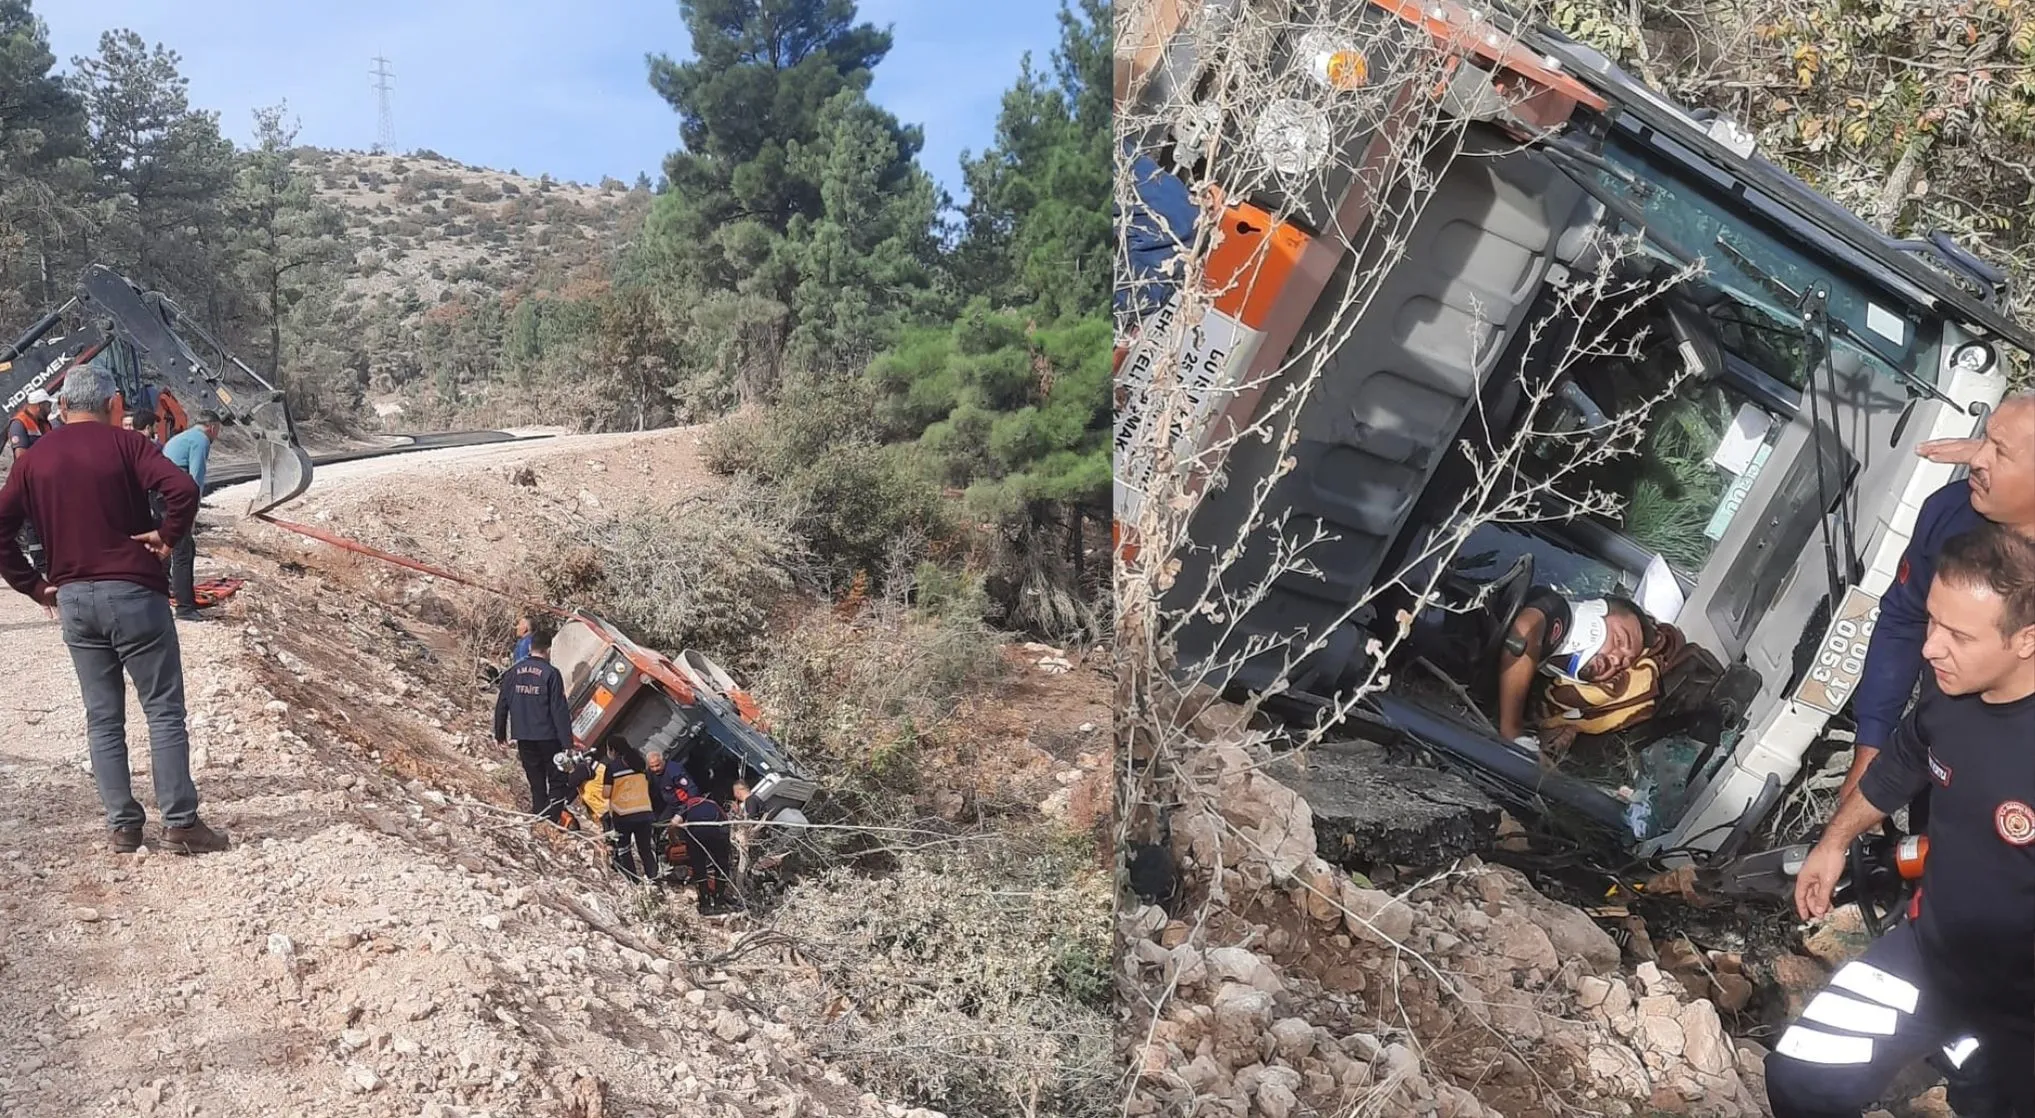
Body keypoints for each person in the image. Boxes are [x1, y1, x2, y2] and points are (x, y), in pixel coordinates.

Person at [1765, 522, 2035, 1118]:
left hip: (2020, 1010)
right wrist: (1835, 840)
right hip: (1927, 958)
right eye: (1933, 622)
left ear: (2026, 640)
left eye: (1958, 634)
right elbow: (1906, 759)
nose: (1930, 647)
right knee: (1800, 1080)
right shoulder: (1950, 692)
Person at [0, 367, 228, 855]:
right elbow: (183, 491)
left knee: (103, 718)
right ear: (115, 405)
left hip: (75, 601)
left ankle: (124, 826)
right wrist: (168, 537)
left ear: (62, 409)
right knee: (163, 711)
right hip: (135, 595)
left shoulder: (33, 460)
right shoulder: (127, 446)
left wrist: (36, 587)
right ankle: (181, 823)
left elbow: (2, 530)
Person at [1838, 391, 2035, 813]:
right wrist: (1870, 750)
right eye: (1983, 441)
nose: (1975, 460)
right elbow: (1903, 622)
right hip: (1936, 758)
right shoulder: (1948, 513)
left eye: (1999, 452)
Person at [1494, 590, 1649, 754]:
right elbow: (1525, 630)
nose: (1616, 660)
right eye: (1619, 640)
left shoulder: (1542, 686)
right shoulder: (1552, 607)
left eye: (1624, 664)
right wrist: (1512, 729)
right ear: (1596, 611)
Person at [492, 615, 575, 825]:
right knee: (557, 781)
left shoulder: (512, 673)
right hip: (548, 737)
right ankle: (551, 819)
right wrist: (567, 744)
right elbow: (559, 710)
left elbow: (502, 704)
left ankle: (539, 818)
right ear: (547, 650)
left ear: (530, 648)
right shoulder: (551, 673)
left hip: (524, 736)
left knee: (536, 781)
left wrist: (500, 734)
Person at [160, 410, 220, 621]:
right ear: (212, 427)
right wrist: (193, 511)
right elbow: (196, 477)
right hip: (176, 498)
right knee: (183, 551)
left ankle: (169, 592)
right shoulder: (201, 440)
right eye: (218, 431)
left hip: (161, 495)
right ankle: (185, 608)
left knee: (174, 546)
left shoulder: (181, 437)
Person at [601, 737, 659, 882]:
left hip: (623, 814)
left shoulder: (612, 767)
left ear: (613, 750)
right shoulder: (640, 763)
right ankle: (654, 880)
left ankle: (634, 882)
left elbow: (606, 793)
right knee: (645, 849)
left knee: (624, 850)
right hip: (644, 813)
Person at [6, 389, 53, 456]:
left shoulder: (44, 423)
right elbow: (21, 458)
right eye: (48, 406)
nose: (50, 410)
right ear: (39, 406)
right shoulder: (19, 423)